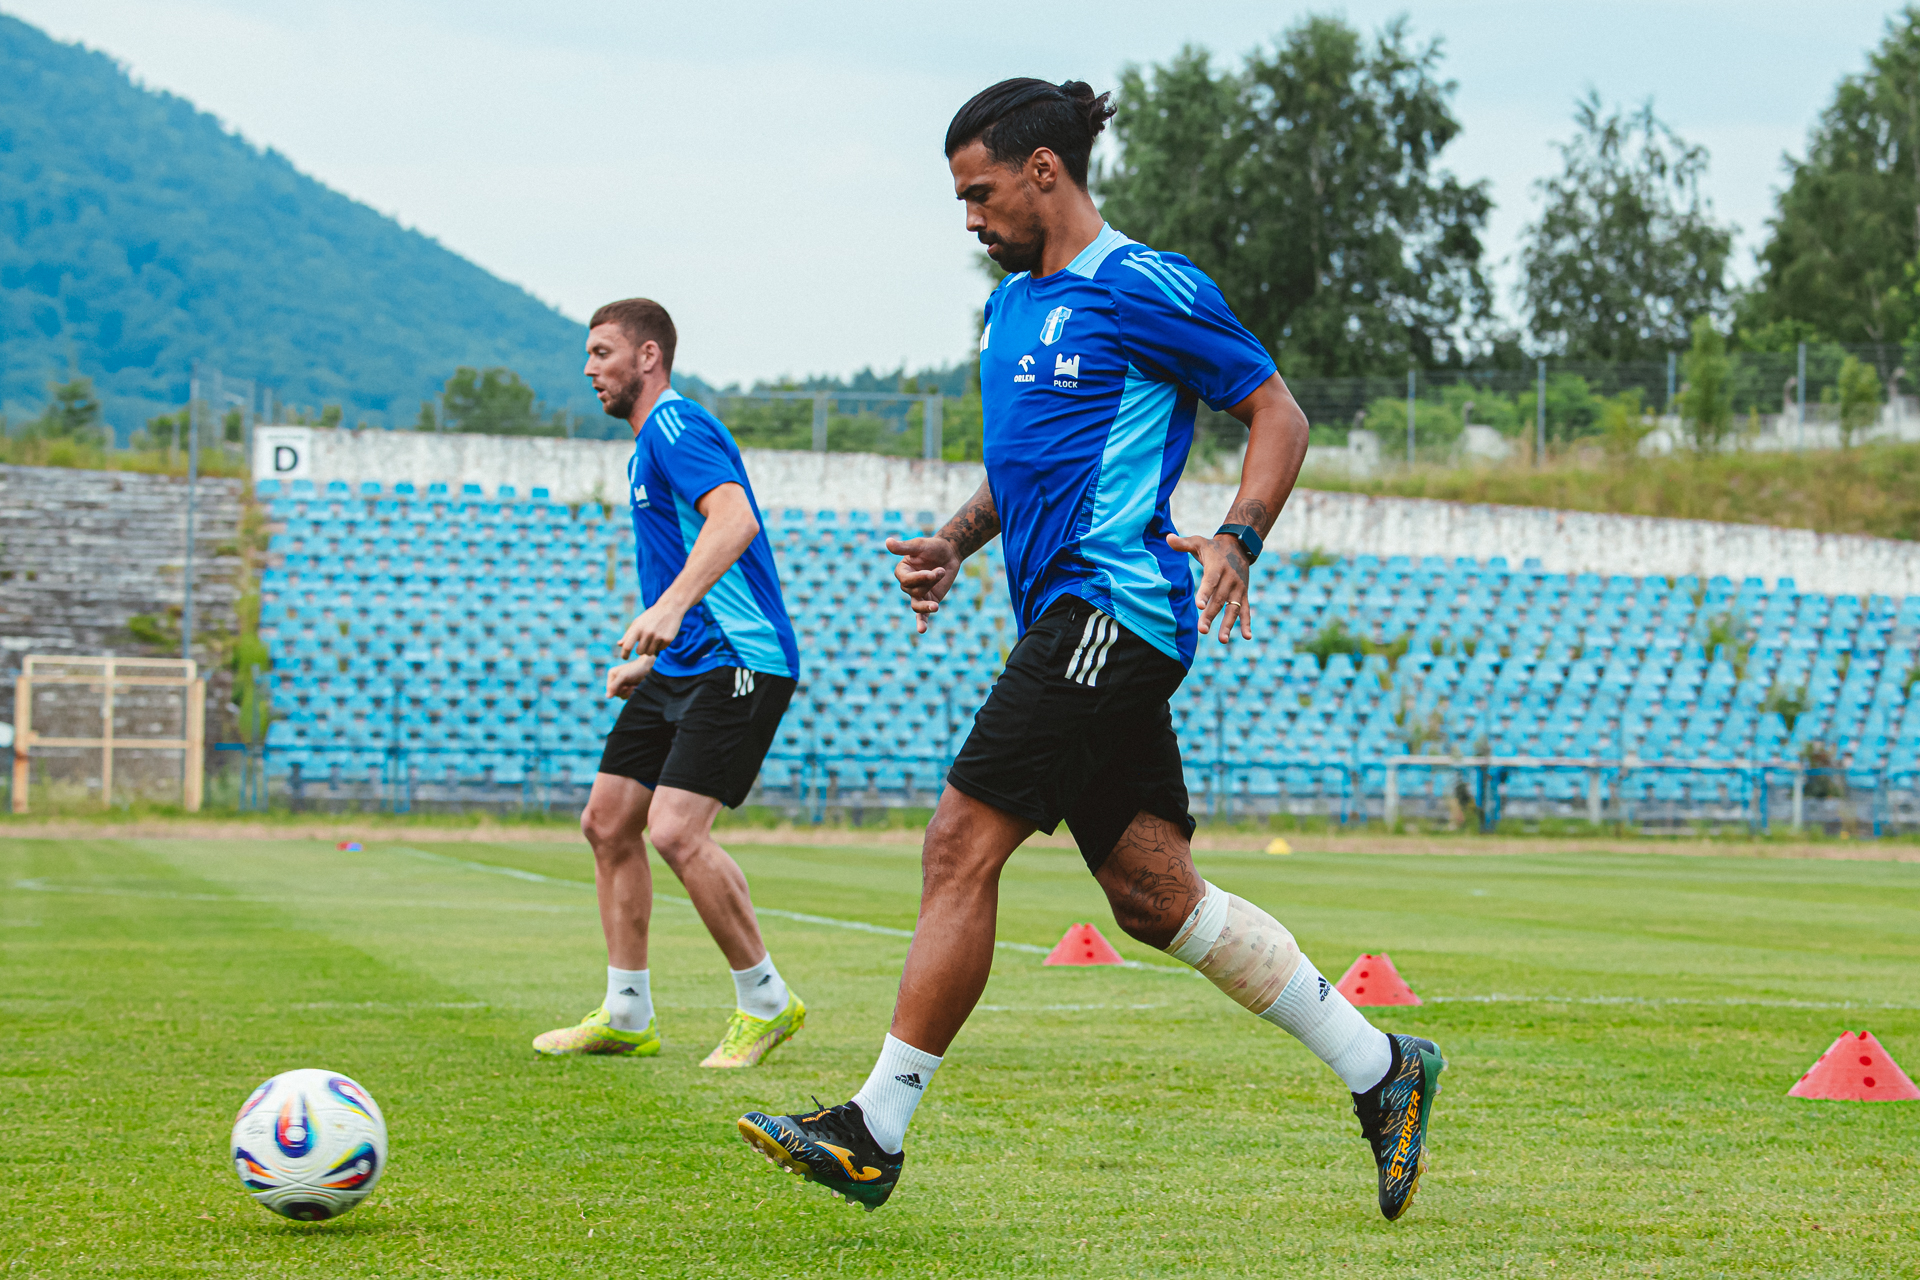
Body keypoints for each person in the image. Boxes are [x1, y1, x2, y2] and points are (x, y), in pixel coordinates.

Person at [737, 80, 1444, 1217]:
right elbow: (1029, 465)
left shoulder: (1144, 285)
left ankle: (875, 1129)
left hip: (1113, 612)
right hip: (1068, 621)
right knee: (1153, 896)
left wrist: (1241, 537)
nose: (971, 218)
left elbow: (1279, 412)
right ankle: (1382, 1066)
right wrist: (958, 540)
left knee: (958, 842)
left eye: (980, 193)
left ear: (1044, 171)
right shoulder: (1011, 311)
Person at [533, 297, 806, 1070]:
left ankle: (767, 1002)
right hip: (686, 661)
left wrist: (669, 609)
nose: (590, 369)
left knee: (677, 831)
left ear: (648, 356)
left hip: (741, 659)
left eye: (602, 352)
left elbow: (735, 521)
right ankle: (626, 1012)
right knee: (607, 821)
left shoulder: (676, 426)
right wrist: (654, 656)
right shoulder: (644, 449)